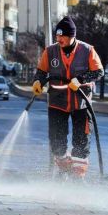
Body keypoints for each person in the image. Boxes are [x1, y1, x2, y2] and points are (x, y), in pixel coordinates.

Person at [32, 16, 104, 177]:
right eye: (57, 36)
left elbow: (99, 72)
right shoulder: (50, 51)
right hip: (57, 102)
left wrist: (80, 80)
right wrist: (38, 81)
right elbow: (42, 72)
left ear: (72, 36)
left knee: (81, 142)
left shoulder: (87, 50)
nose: (59, 39)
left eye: (62, 36)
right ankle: (64, 170)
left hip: (81, 104)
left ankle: (77, 178)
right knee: (57, 141)